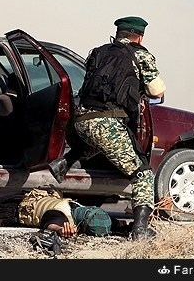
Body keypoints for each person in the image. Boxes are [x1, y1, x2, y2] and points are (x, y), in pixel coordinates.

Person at [48, 16, 166, 241]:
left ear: (119, 33)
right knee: (143, 175)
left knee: (103, 144)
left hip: (81, 120)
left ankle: (65, 161)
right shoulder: (140, 55)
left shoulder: (97, 52)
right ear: (139, 37)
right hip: (107, 121)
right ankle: (140, 230)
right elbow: (156, 91)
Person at [0, 187, 127, 239]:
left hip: (22, 197)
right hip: (11, 210)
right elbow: (50, 222)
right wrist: (60, 230)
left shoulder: (75, 207)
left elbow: (113, 223)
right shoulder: (62, 215)